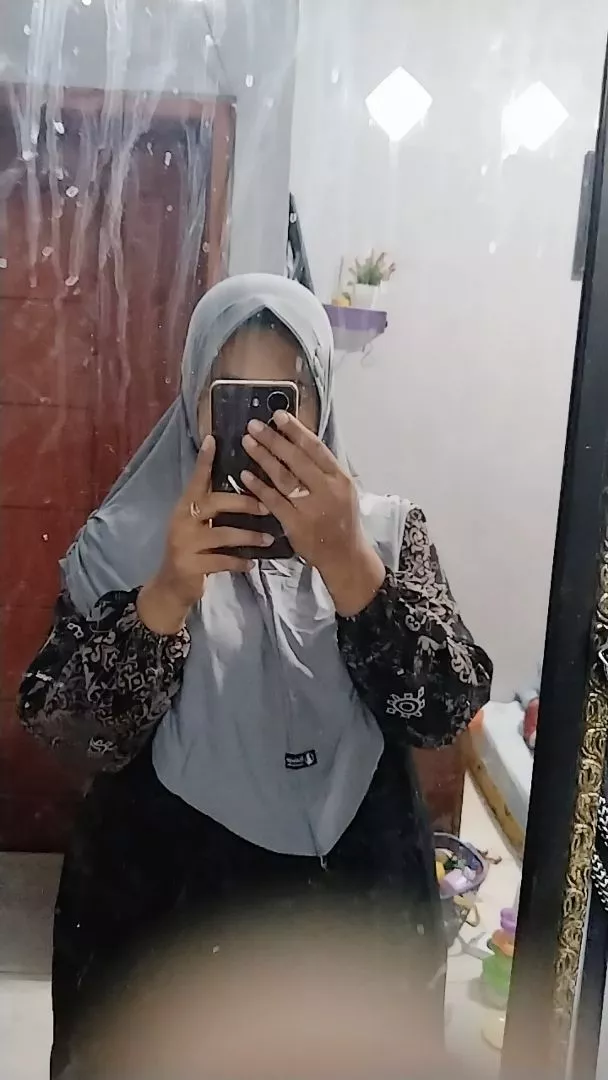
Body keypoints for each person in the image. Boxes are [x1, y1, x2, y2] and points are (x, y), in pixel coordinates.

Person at [17, 274, 492, 1078]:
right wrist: (165, 594)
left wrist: (350, 564)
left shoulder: (382, 532)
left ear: (321, 406)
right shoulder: (123, 541)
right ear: (192, 400)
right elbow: (72, 736)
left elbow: (444, 710)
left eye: (283, 400)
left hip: (352, 916)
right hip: (163, 920)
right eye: (231, 397)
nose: (259, 431)